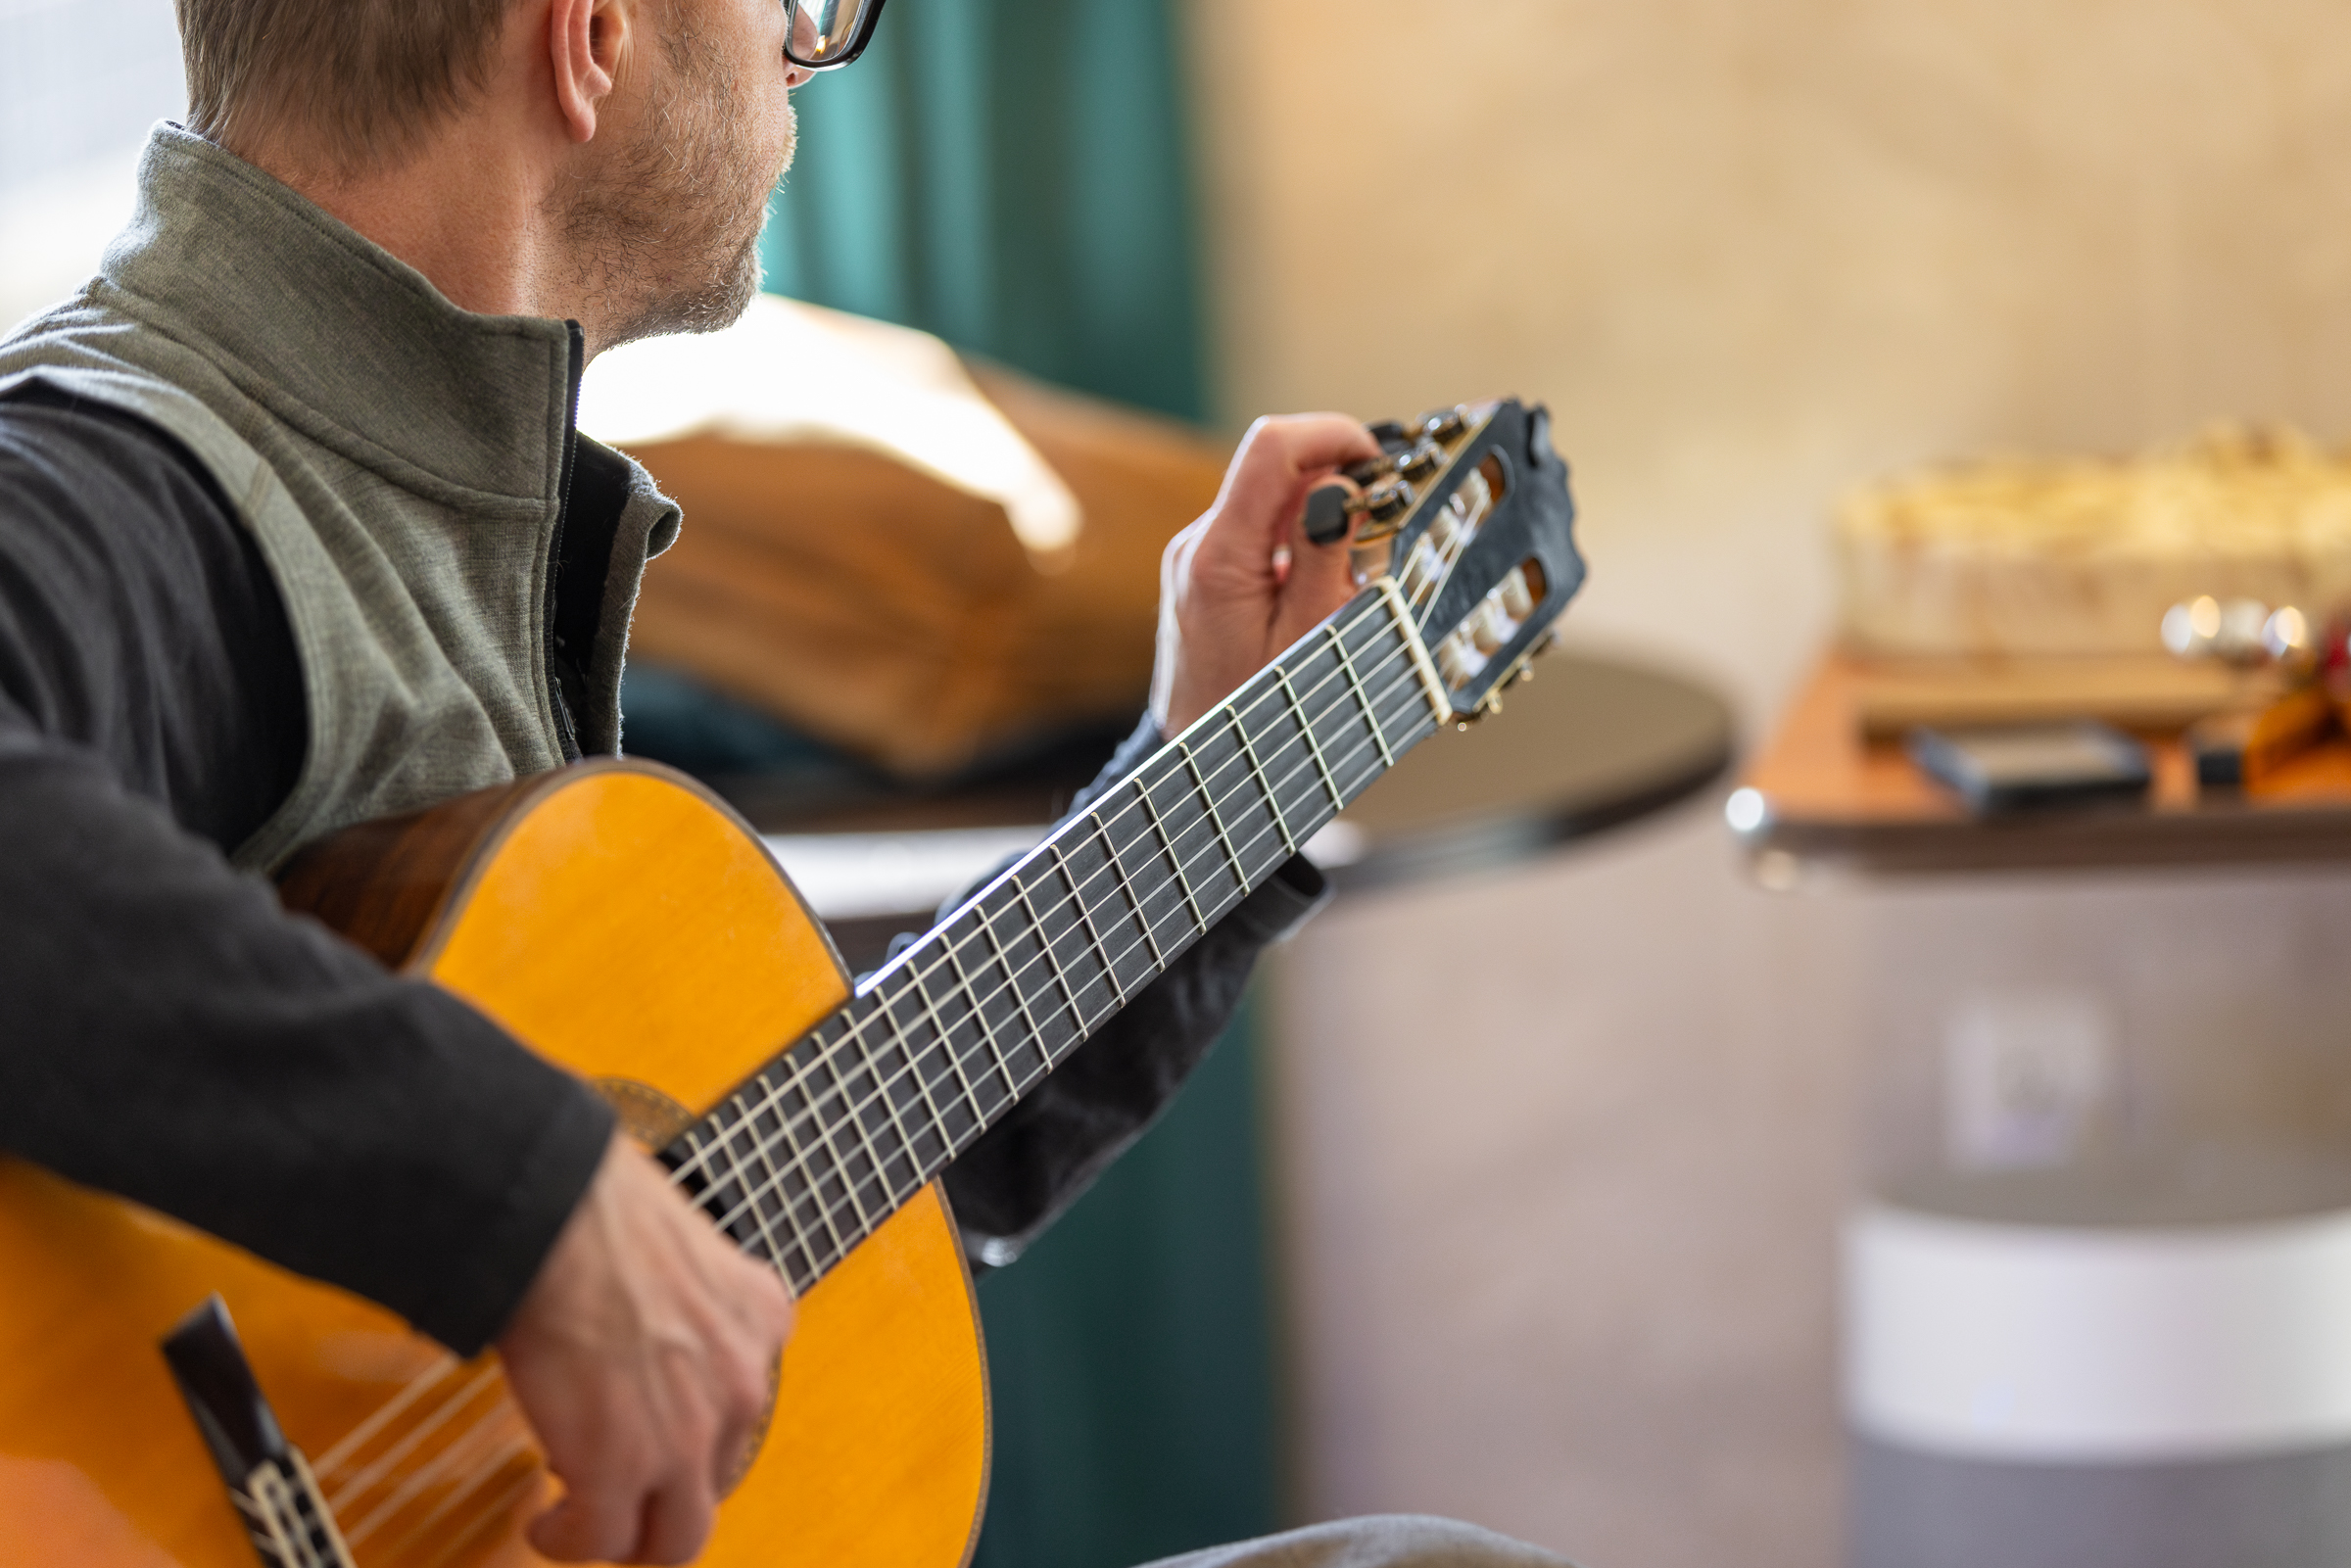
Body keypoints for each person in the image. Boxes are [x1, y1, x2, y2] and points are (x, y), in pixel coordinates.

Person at [0, 0, 1578, 1564]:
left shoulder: (413, 481)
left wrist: (1214, 764)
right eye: (789, 2)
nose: (807, 50)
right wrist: (534, 1209)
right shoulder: (129, 479)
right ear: (593, 37)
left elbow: (788, 1191)